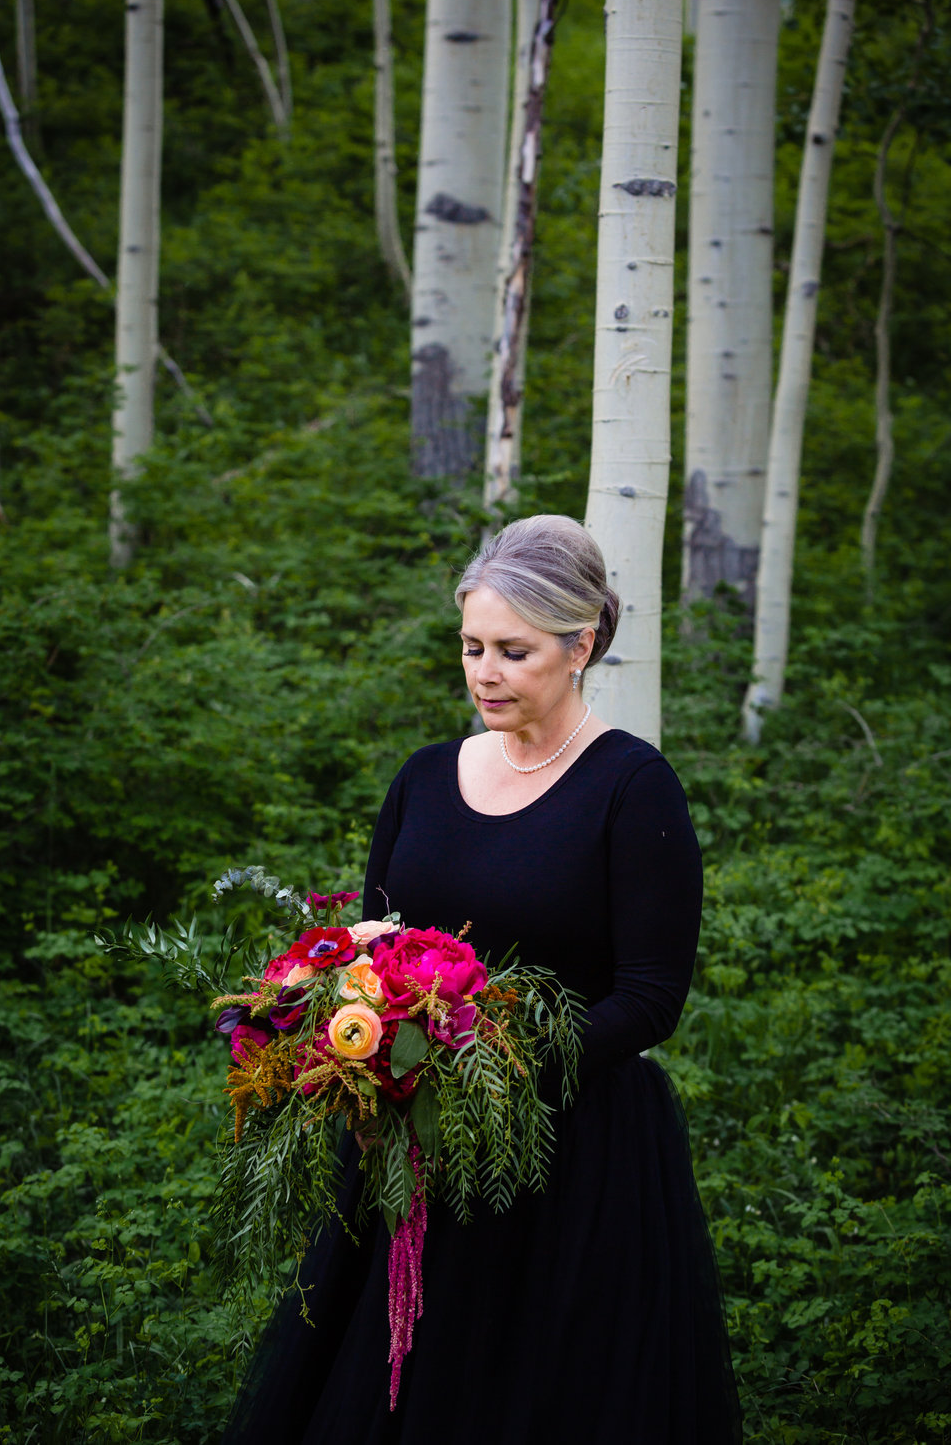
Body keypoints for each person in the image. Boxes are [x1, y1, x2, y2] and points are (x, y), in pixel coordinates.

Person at [222, 514, 741, 1445]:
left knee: (537, 1393)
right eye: (471, 646)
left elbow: (654, 995)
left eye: (514, 650)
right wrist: (330, 1009)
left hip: (568, 1149)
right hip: (410, 1145)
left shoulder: (632, 787)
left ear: (581, 645)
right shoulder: (425, 778)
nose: (484, 672)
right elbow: (374, 943)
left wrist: (494, 1066)